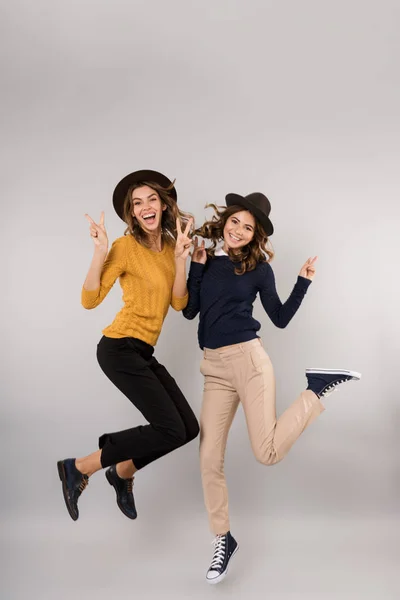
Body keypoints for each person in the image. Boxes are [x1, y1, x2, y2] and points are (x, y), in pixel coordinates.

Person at [183, 192, 361, 584]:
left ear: (254, 235)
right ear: (226, 221)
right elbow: (190, 310)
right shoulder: (207, 263)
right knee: (208, 459)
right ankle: (223, 537)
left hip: (249, 362)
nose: (239, 230)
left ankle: (315, 391)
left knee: (266, 453)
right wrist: (193, 267)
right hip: (213, 369)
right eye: (236, 222)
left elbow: (278, 318)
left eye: (248, 228)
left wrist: (303, 283)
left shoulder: (260, 270)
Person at [57, 170, 199, 522]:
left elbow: (180, 305)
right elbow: (89, 300)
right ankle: (80, 467)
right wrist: (100, 251)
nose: (146, 207)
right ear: (132, 213)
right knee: (168, 428)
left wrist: (182, 260)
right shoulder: (124, 247)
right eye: (138, 203)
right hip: (118, 348)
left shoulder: (170, 249)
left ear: (164, 205)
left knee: (187, 429)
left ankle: (121, 473)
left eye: (152, 199)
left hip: (143, 352)